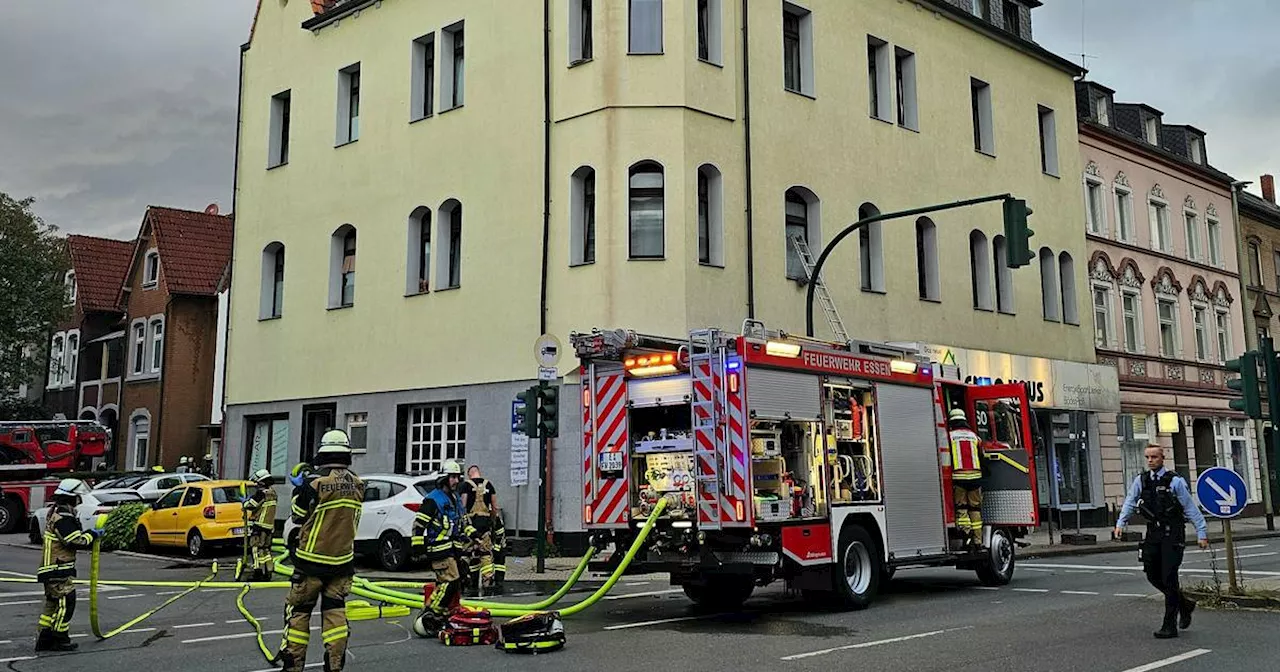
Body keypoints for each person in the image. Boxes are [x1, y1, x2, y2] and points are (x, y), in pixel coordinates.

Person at [280, 430, 364, 672]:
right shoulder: (358, 484)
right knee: (335, 615)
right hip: (342, 563)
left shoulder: (314, 483)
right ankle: (334, 665)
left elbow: (297, 515)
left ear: (323, 454)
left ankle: (293, 665)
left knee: (299, 613)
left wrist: (300, 488)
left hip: (310, 563)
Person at [1115, 445, 1209, 639]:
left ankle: (1169, 625)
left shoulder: (1174, 481)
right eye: (1148, 457)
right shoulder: (1141, 480)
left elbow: (1190, 508)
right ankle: (1185, 604)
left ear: (1162, 458)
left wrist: (1202, 533)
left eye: (1154, 457)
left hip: (1173, 534)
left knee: (1169, 577)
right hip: (1153, 534)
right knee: (1151, 574)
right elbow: (1130, 502)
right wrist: (1120, 523)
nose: (1150, 461)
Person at [36, 478, 101, 652]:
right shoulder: (64, 518)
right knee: (67, 602)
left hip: (51, 569)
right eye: (78, 499)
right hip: (58, 569)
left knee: (52, 604)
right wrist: (92, 535)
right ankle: (59, 639)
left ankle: (44, 638)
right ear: (72, 498)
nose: (79, 502)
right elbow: (74, 540)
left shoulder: (56, 513)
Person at [412, 460, 476, 631]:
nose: (456, 481)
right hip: (439, 549)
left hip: (453, 550)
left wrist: (473, 534)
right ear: (444, 478)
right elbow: (419, 525)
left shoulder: (455, 499)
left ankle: (440, 614)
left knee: (454, 581)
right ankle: (432, 613)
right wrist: (417, 546)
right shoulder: (433, 500)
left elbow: (463, 522)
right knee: (451, 582)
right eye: (452, 477)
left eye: (457, 477)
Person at [458, 465, 499, 595]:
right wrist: (492, 522)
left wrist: (462, 523)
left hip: (470, 524)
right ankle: (487, 581)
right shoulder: (489, 485)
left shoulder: (466, 485)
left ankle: (465, 579)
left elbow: (462, 506)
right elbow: (494, 507)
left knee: (466, 553)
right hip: (485, 525)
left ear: (470, 474)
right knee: (486, 553)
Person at [947, 408, 985, 547]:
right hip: (976, 478)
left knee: (961, 507)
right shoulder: (975, 436)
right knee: (975, 509)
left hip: (959, 478)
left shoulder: (949, 436)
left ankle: (966, 535)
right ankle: (978, 540)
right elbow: (982, 456)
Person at [241, 468, 278, 581]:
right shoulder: (273, 493)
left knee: (256, 549)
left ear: (261, 482)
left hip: (260, 525)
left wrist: (245, 501)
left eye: (257, 483)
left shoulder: (261, 493)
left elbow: (250, 505)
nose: (256, 485)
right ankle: (268, 571)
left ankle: (257, 572)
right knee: (266, 549)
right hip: (269, 526)